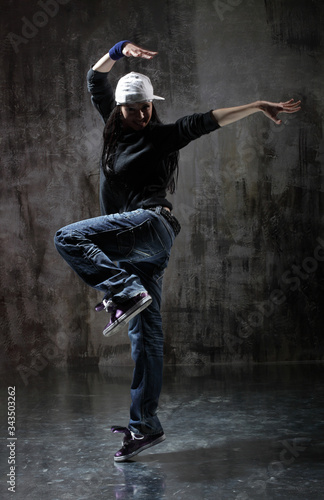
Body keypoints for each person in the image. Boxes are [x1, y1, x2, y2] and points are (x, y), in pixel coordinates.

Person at [54, 40, 301, 462]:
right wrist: (116, 50)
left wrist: (257, 105)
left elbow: (206, 122)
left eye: (146, 107)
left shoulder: (163, 137)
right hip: (138, 252)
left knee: (68, 238)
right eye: (132, 110)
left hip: (151, 225)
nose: (140, 115)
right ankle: (144, 426)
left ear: (153, 105)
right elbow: (95, 78)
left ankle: (123, 291)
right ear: (119, 110)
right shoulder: (112, 128)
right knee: (146, 336)